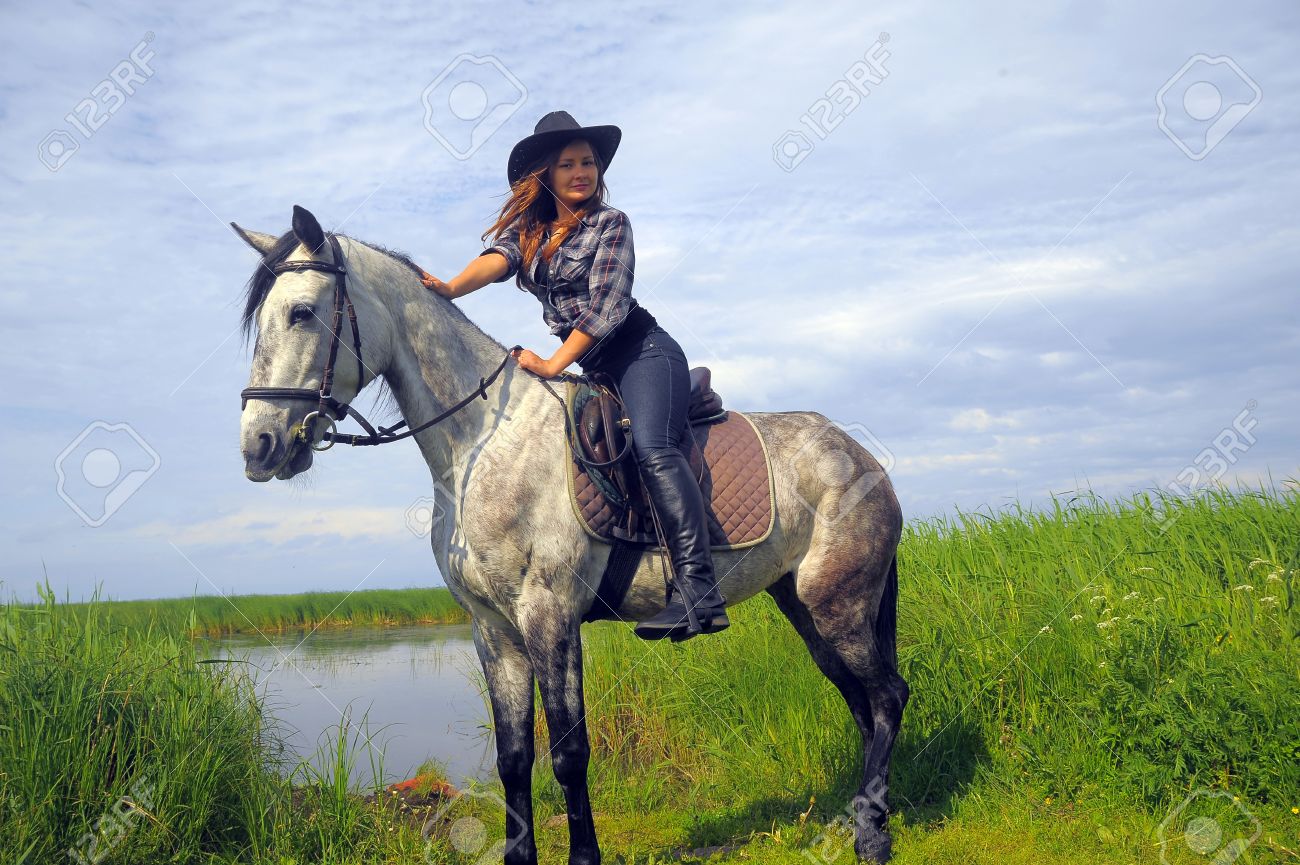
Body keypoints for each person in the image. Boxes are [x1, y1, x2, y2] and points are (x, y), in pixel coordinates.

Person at [419, 110, 728, 642]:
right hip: (596, 367)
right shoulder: (532, 232)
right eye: (568, 164)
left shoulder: (612, 224)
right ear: (546, 174)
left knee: (653, 445)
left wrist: (551, 363)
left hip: (641, 352)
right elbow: (495, 260)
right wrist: (449, 288)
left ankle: (699, 591)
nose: (581, 171)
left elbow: (607, 309)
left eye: (588, 162)